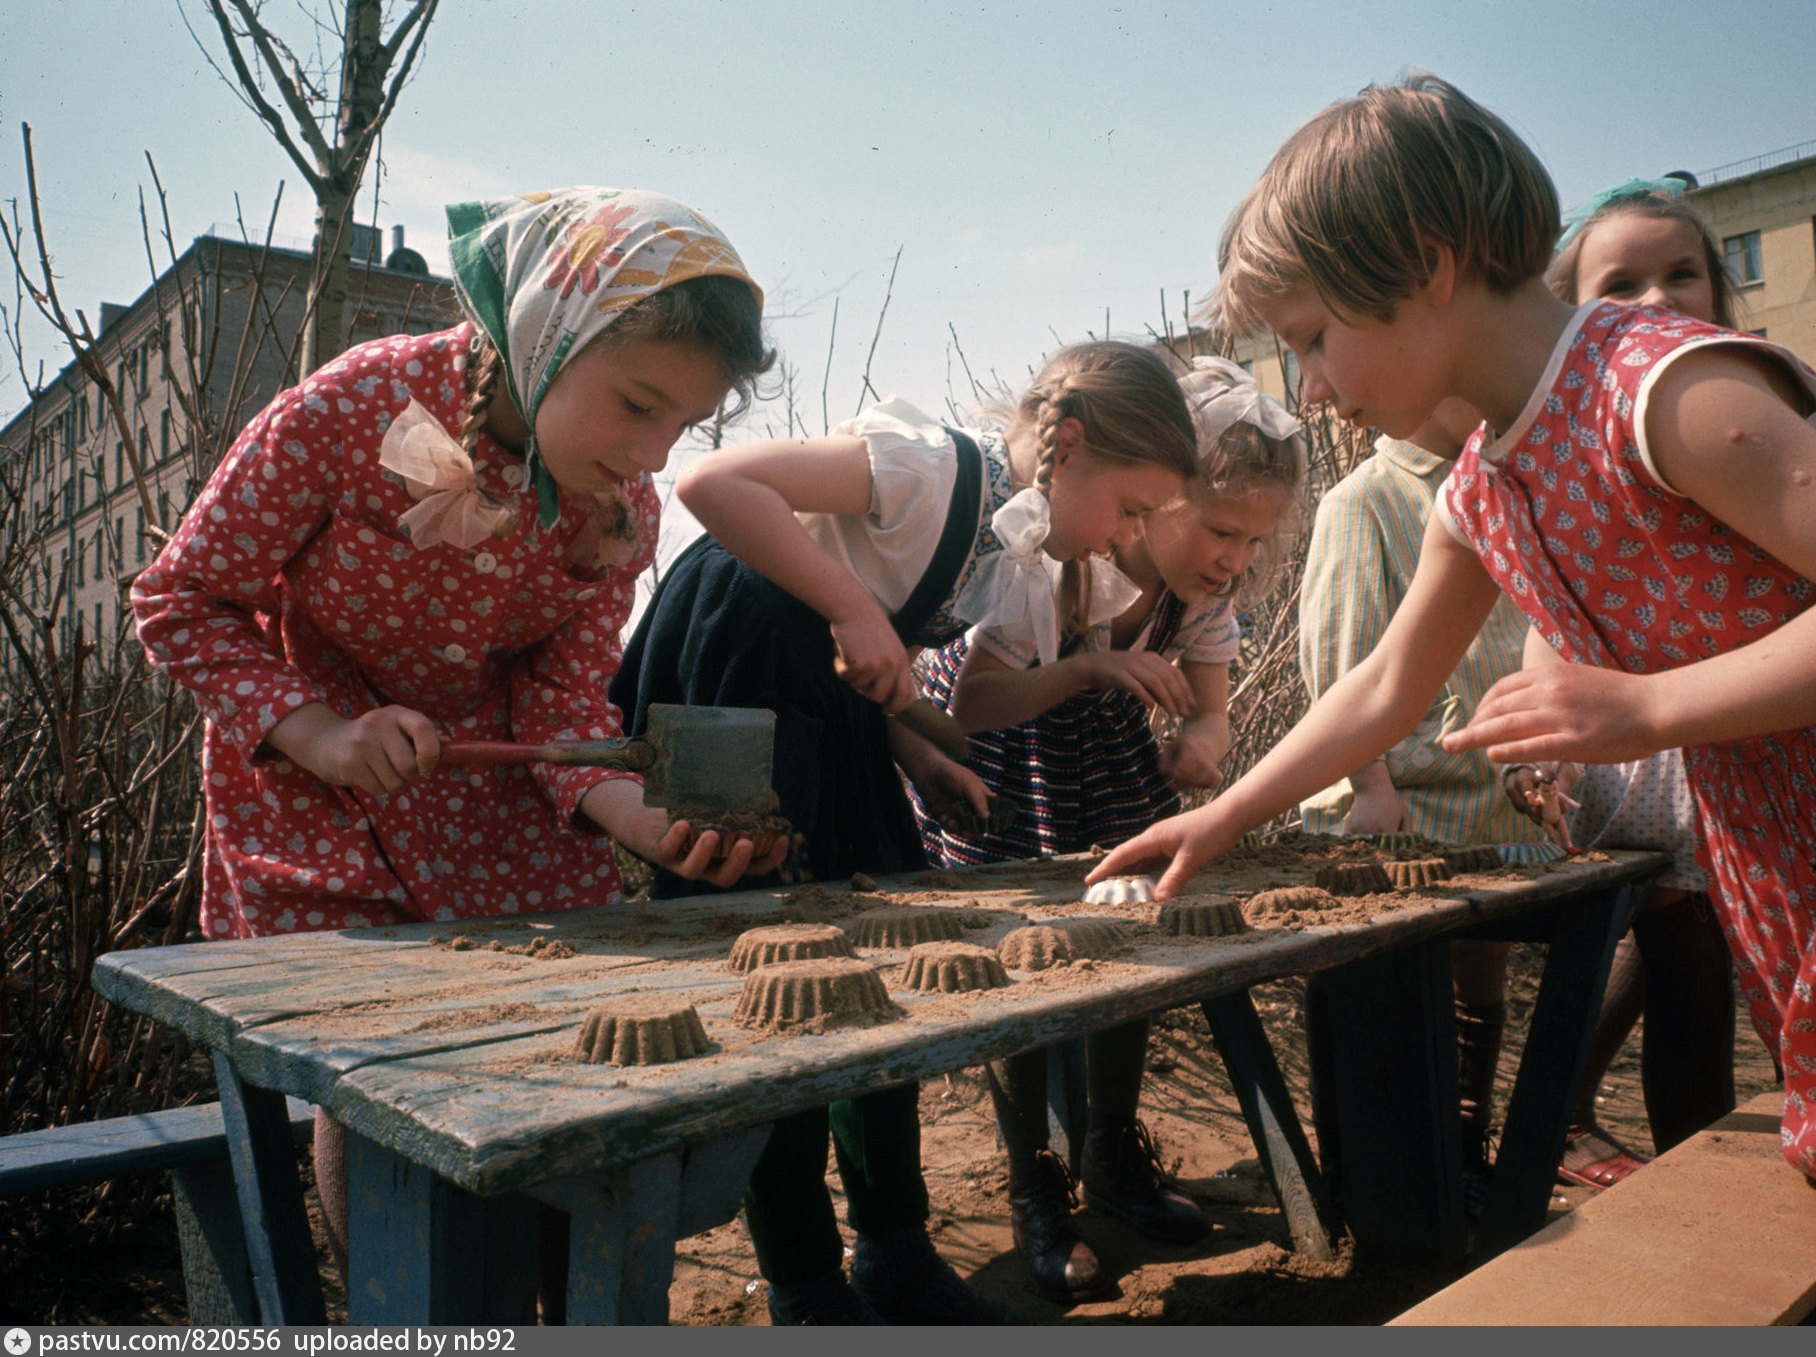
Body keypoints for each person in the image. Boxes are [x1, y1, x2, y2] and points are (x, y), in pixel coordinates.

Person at [1090, 76, 1816, 1317]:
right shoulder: (1486, 481)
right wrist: (1221, 814)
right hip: (1790, 855)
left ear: (1427, 266)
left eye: (1314, 338)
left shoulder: (1653, 385)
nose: (1315, 385)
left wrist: (1641, 711)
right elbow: (1386, 684)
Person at [130, 187, 786, 1287]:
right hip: (315, 778)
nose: (653, 452)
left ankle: (534, 1290)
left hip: (489, 798)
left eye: (684, 426)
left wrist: (642, 817)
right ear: (544, 336)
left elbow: (566, 707)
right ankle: (419, 1304)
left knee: (545, 1041)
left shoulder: (616, 514)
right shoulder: (354, 407)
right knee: (387, 1068)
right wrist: (320, 732)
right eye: (636, 404)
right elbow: (181, 596)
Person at [611, 340, 1198, 1323]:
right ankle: (802, 1278)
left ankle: (892, 1245)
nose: (1123, 535)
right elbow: (713, 482)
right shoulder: (931, 466)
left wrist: (919, 752)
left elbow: (867, 650)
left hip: (824, 702)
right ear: (1069, 445)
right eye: (1130, 508)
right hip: (738, 660)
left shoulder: (1008, 552)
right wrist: (848, 610)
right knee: (775, 975)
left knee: (881, 957)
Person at [911, 356, 1299, 1301]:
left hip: (1111, 762)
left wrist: (1202, 745)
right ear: (1157, 496)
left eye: (1252, 541)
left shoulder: (1200, 598)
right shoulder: (1044, 561)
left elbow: (1213, 710)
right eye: (1216, 529)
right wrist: (1089, 670)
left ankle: (1111, 1156)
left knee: (1135, 941)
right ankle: (1035, 1186)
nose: (1232, 558)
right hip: (1006, 758)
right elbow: (970, 707)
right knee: (1024, 967)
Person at [1506, 176, 1745, 1180]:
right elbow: (1544, 608)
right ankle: (1694, 1173)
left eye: (1679, 273)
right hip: (1640, 750)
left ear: (1719, 296)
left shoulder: (1734, 409)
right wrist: (1542, 738)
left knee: (1658, 948)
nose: (1655, 300)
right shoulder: (1584, 431)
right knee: (1687, 966)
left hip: (1725, 726)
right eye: (1621, 283)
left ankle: (1552, 1119)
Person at [1294, 395, 1538, 1188]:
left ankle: (1462, 1144)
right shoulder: (1363, 499)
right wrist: (1369, 780)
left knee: (1480, 976)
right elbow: (1341, 656)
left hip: (1492, 788)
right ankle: (1377, 1173)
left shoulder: (1500, 479)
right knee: (1391, 999)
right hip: (1402, 804)